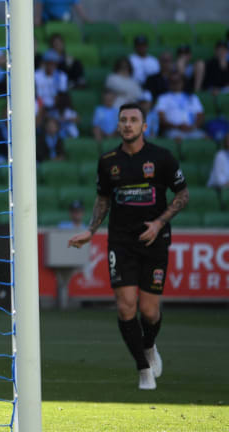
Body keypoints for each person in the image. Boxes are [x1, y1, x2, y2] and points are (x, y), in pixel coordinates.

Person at [69, 103, 190, 390]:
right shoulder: (108, 161)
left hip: (154, 240)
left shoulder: (162, 158)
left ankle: (149, 345)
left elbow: (182, 194)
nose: (127, 124)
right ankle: (143, 368)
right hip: (121, 242)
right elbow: (103, 200)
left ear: (144, 126)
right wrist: (90, 230)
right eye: (123, 120)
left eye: (134, 120)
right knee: (126, 308)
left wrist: (159, 223)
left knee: (149, 311)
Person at [154, 72, 206, 141]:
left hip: (192, 129)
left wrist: (193, 126)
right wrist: (177, 126)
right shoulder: (163, 98)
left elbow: (200, 115)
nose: (175, 83)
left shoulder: (192, 97)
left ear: (183, 82)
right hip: (173, 130)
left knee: (206, 138)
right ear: (168, 83)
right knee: (178, 139)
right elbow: (161, 118)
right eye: (172, 81)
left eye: (178, 81)